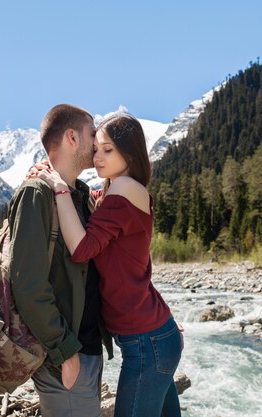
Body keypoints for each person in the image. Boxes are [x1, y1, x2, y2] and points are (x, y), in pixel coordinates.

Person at [36, 113, 183, 417]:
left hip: (148, 342)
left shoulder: (124, 189)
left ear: (129, 153)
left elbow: (82, 249)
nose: (98, 157)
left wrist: (59, 188)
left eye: (108, 150)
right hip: (154, 334)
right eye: (97, 148)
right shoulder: (115, 190)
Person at [8, 104, 113, 417]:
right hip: (65, 353)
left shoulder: (80, 193)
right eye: (91, 134)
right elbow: (27, 284)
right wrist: (64, 351)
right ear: (71, 137)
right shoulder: (35, 193)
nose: (96, 142)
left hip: (87, 348)